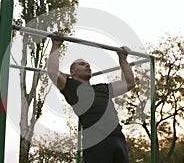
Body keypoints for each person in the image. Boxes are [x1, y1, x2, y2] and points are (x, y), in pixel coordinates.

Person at [47, 31, 135, 163]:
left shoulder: (103, 88)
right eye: (82, 64)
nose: (87, 65)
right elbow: (53, 71)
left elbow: (129, 83)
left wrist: (122, 59)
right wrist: (56, 45)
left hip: (117, 138)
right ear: (72, 72)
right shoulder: (70, 86)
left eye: (88, 64)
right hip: (96, 141)